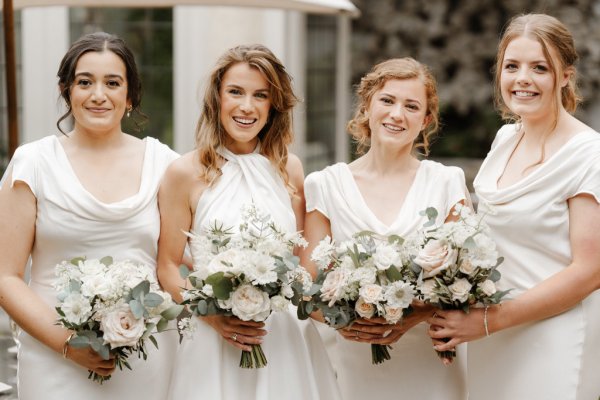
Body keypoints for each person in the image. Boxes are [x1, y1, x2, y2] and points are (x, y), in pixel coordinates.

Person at [427, 13, 600, 399]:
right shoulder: (505, 138)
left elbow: (590, 270)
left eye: (540, 67)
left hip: (553, 335)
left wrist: (489, 321)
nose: (522, 78)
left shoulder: (589, 155)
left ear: (566, 76)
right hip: (490, 338)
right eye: (512, 66)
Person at [0, 32, 179, 399]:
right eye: (85, 82)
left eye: (113, 83)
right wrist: (68, 343)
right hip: (54, 359)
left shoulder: (165, 165)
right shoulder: (33, 163)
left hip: (146, 360)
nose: (99, 94)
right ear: (67, 90)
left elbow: (179, 261)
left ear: (129, 96)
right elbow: (5, 277)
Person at [156, 43, 341, 400]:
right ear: (217, 99)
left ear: (273, 106)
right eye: (235, 92)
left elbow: (302, 267)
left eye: (261, 95)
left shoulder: (290, 168)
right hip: (213, 340)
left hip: (284, 339)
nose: (246, 106)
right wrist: (212, 316)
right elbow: (167, 265)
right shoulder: (184, 173)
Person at [301, 57, 468, 400]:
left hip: (430, 364)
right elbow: (307, 289)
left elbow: (464, 284)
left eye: (411, 106)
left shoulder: (447, 183)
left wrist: (414, 315)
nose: (397, 114)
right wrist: (346, 321)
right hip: (357, 365)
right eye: (387, 100)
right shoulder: (325, 185)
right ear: (367, 106)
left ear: (425, 120)